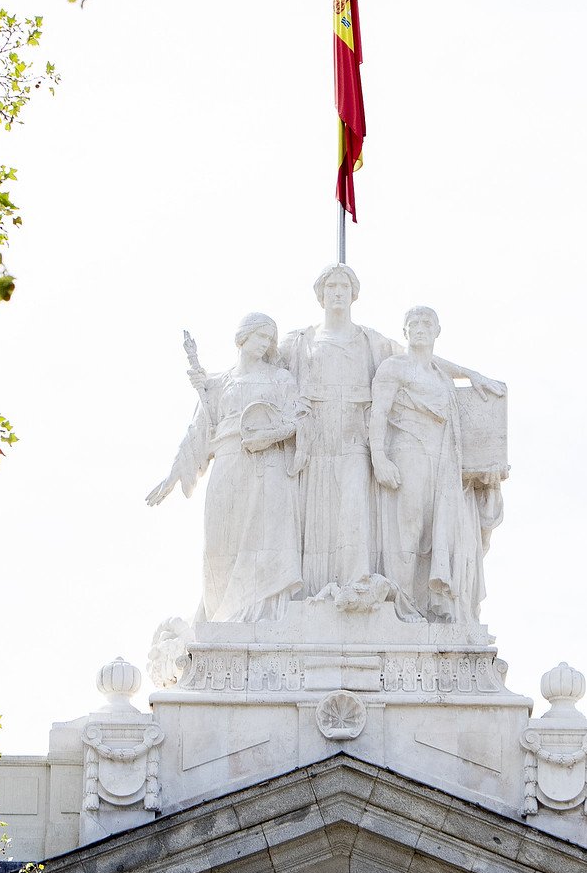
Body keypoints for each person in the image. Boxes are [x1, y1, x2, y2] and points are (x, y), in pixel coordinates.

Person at [281, 265, 504, 600]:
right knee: (315, 517)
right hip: (316, 438)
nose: (338, 292)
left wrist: (469, 374)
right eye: (331, 286)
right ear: (320, 294)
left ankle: (358, 587)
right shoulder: (300, 341)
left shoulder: (371, 341)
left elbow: (420, 357)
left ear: (354, 294)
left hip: (356, 436)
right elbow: (263, 366)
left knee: (355, 510)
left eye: (344, 285)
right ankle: (314, 596)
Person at [147, 314, 302, 622]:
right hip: (228, 463)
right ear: (242, 337)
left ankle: (261, 616)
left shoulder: (280, 379)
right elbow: (197, 433)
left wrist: (267, 436)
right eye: (260, 336)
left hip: (267, 465)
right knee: (219, 545)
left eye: (269, 339)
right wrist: (173, 476)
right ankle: (221, 617)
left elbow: (297, 421)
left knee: (265, 542)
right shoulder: (217, 384)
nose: (265, 344)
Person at [369, 307, 486, 624]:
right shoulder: (393, 367)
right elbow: (378, 413)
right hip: (408, 449)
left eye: (426, 323)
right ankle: (403, 605)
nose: (420, 328)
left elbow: (439, 365)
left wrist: (473, 376)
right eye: (413, 324)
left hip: (442, 457)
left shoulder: (438, 374)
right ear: (404, 332)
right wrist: (379, 457)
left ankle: (428, 602)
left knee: (436, 532)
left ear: (437, 331)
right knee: (408, 527)